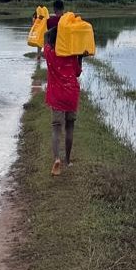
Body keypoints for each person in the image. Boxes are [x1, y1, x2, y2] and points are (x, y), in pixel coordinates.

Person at [43, 20, 82, 176]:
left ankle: (56, 159)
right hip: (71, 93)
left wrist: (54, 33)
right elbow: (78, 73)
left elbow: (45, 36)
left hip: (57, 95)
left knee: (56, 128)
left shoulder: (50, 53)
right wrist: (79, 55)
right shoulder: (72, 55)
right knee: (70, 127)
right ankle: (68, 160)